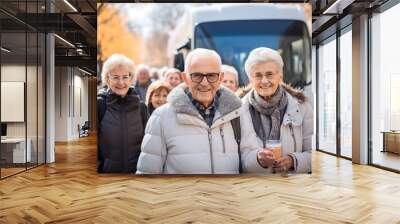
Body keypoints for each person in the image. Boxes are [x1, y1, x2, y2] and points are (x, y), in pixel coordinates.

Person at [136, 48, 268, 174]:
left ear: (220, 78)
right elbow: (147, 174)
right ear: (185, 78)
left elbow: (248, 159)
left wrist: (258, 160)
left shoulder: (238, 113)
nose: (204, 83)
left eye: (211, 76)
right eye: (197, 76)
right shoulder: (161, 117)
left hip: (227, 197)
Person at [241, 47, 313, 174]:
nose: (264, 81)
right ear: (250, 79)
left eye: (269, 74)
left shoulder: (302, 107)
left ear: (280, 76)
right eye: (257, 75)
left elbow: (314, 153)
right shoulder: (238, 111)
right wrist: (257, 159)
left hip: (292, 187)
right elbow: (235, 159)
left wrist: (294, 161)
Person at [97, 54, 149, 173]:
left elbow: (148, 145)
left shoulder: (141, 108)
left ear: (131, 79)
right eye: (115, 77)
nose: (121, 82)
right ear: (107, 79)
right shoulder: (100, 105)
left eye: (125, 77)